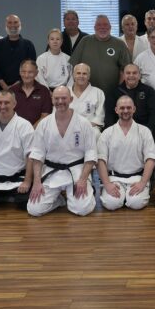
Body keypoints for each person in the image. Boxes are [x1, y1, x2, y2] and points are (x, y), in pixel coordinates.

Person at [27, 87, 97, 217]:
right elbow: (37, 155)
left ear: (71, 99)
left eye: (64, 98)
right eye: (57, 98)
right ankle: (59, 200)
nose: (60, 101)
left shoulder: (84, 123)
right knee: (34, 209)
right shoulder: (44, 124)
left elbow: (91, 154)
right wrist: (36, 182)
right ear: (52, 100)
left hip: (76, 171)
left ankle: (80, 195)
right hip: (51, 171)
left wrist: (83, 179)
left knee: (82, 209)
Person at [97, 96, 155, 211]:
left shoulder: (144, 131)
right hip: (114, 178)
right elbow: (100, 161)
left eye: (129, 108)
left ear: (134, 109)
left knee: (136, 203)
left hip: (137, 178)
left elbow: (151, 159)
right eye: (122, 108)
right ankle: (123, 196)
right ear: (116, 110)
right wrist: (107, 184)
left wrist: (142, 182)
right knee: (111, 204)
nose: (125, 111)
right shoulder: (107, 133)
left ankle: (128, 196)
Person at [69, 15, 131, 95]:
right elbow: (74, 67)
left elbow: (126, 70)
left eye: (105, 24)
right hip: (86, 93)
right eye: (99, 25)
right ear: (94, 27)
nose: (102, 27)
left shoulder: (119, 44)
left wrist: (120, 90)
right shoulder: (85, 41)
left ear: (110, 27)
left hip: (112, 94)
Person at [104, 64, 155, 141]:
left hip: (143, 132)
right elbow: (109, 115)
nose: (131, 75)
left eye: (134, 73)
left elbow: (154, 114)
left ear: (139, 75)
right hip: (119, 132)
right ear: (123, 75)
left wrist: (148, 132)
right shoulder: (114, 92)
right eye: (128, 73)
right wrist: (113, 133)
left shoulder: (149, 91)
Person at [0, 14, 37, 90]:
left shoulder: (28, 45)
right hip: (1, 89)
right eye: (10, 22)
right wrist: (4, 86)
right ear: (6, 25)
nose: (13, 25)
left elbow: (32, 68)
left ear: (20, 24)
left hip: (24, 88)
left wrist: (16, 85)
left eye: (15, 22)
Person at [8, 60, 52, 127]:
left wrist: (31, 130)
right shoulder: (12, 90)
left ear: (36, 73)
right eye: (23, 72)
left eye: (30, 72)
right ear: (19, 72)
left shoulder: (44, 91)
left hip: (37, 131)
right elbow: (7, 112)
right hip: (15, 130)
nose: (26, 75)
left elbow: (45, 115)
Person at [69, 63, 105, 131]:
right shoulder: (66, 91)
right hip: (68, 127)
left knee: (96, 133)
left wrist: (85, 127)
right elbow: (58, 113)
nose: (81, 76)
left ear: (89, 76)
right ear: (73, 75)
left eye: (84, 74)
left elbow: (99, 116)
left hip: (90, 127)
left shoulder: (98, 92)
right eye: (78, 73)